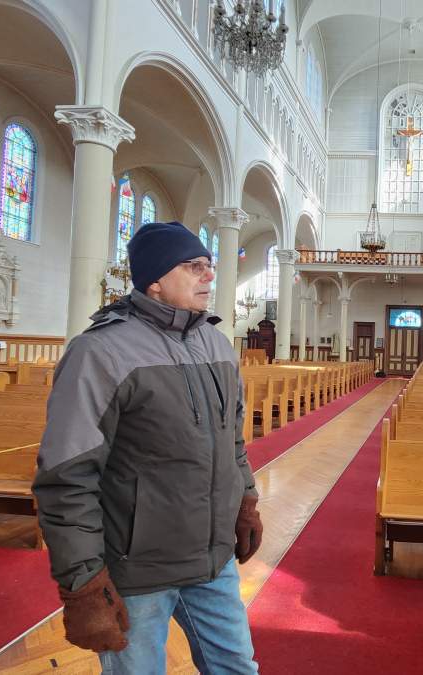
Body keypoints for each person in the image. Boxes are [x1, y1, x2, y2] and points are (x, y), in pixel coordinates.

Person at [32, 221, 263, 675]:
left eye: (209, 265)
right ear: (155, 281)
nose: (208, 276)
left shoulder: (215, 343)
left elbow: (231, 441)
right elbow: (66, 478)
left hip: (212, 560)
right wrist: (83, 584)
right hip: (137, 570)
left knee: (237, 668)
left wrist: (246, 500)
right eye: (193, 266)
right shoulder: (101, 353)